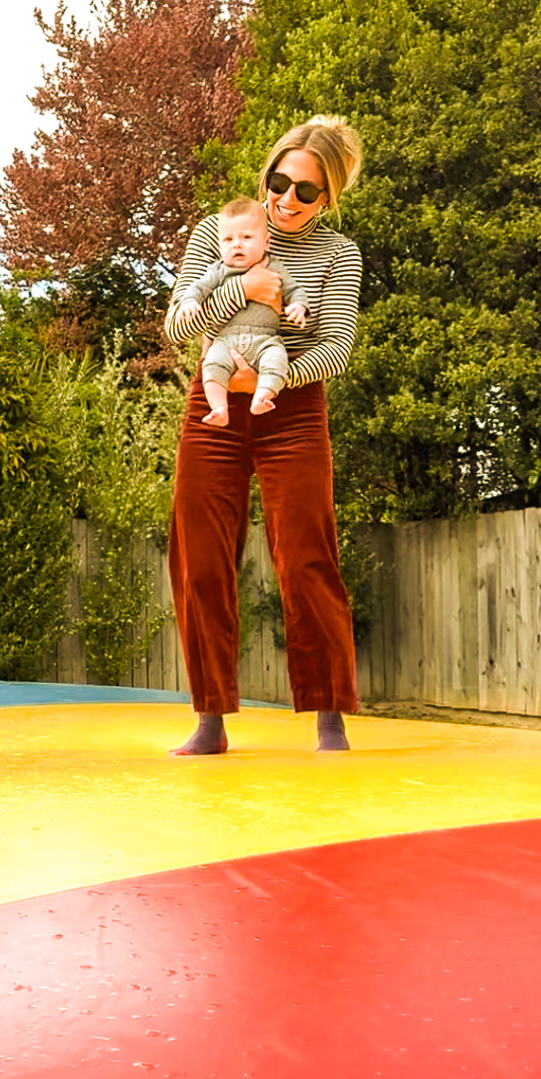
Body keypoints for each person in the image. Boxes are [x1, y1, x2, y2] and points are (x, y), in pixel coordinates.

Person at [164, 116, 363, 756]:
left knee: (305, 556)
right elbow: (178, 323)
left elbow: (336, 346)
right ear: (268, 174)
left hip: (292, 410)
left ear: (327, 196)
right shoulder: (219, 232)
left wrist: (273, 382)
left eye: (306, 191)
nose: (288, 200)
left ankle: (328, 715)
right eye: (281, 182)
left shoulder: (339, 254)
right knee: (199, 558)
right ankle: (210, 719)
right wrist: (242, 292)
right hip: (215, 407)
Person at [177, 197, 309, 426]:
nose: (236, 245)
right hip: (226, 339)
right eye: (228, 239)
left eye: (246, 238)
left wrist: (298, 306)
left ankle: (262, 395)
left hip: (266, 338)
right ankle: (219, 408)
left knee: (276, 360)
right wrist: (190, 302)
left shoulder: (275, 266)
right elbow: (198, 287)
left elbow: (294, 289)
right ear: (220, 246)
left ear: (266, 242)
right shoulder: (219, 270)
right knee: (212, 365)